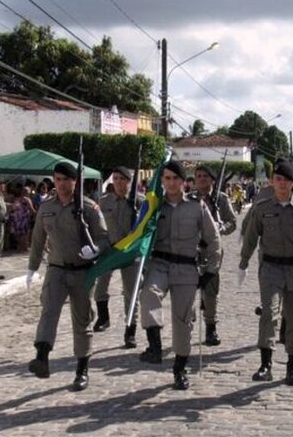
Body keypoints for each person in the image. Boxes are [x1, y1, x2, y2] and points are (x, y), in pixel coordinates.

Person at [26, 162, 110, 392]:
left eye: (66, 179)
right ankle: (42, 357)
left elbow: (104, 238)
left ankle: (82, 369)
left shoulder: (89, 208)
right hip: (56, 269)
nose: (62, 184)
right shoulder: (46, 207)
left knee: (82, 320)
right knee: (49, 310)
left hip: (83, 271)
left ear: (75, 181)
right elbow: (38, 239)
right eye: (58, 179)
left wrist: (95, 250)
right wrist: (32, 268)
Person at [138, 161, 220, 391]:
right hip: (160, 264)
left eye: (176, 178)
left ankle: (179, 369)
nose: (171, 183)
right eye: (167, 178)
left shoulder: (197, 207)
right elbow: (139, 232)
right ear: (162, 180)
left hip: (186, 267)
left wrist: (211, 270)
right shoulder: (154, 206)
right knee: (149, 294)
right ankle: (155, 346)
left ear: (184, 182)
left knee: (183, 320)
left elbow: (213, 239)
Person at [239, 159, 293, 386]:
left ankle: (292, 367)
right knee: (269, 313)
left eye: (286, 180)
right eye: (278, 179)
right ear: (272, 182)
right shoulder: (263, 208)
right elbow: (251, 237)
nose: (282, 183)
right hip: (271, 269)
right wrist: (243, 264)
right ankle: (265, 365)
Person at [93, 166, 142, 349]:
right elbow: (96, 225)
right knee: (100, 288)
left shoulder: (139, 201)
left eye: (122, 179)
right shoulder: (104, 201)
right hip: (109, 250)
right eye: (115, 179)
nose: (119, 182)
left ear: (129, 181)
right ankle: (103, 317)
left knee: (131, 294)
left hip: (130, 253)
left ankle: (130, 331)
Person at [188, 164, 237, 346]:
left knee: (210, 289)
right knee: (188, 287)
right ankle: (187, 323)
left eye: (205, 176)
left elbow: (232, 222)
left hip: (212, 250)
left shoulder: (222, 199)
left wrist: (220, 227)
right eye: (199, 176)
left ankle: (211, 327)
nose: (202, 179)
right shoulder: (188, 199)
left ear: (212, 180)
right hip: (191, 249)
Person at [11, 186, 35, 253]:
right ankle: (24, 247)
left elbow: (13, 208)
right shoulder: (27, 199)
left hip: (17, 219)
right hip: (24, 218)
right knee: (25, 234)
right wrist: (35, 214)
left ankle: (20, 247)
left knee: (19, 234)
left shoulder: (17, 199)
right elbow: (31, 209)